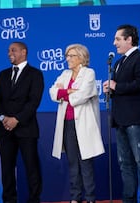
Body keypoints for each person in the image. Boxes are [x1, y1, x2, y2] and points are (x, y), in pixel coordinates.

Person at [103, 24, 140, 203]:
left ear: (129, 39)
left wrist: (117, 86)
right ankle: (129, 200)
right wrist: (109, 89)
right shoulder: (118, 63)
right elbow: (119, 87)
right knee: (125, 163)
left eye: (118, 39)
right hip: (120, 120)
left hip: (136, 119)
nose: (114, 42)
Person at [49, 43, 105, 203]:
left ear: (81, 57)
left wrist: (64, 94)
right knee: (73, 163)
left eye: (71, 56)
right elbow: (53, 92)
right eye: (67, 55)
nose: (67, 59)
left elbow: (82, 96)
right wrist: (66, 91)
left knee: (86, 163)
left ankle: (90, 198)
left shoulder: (89, 73)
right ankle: (75, 197)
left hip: (84, 125)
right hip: (67, 124)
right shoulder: (65, 74)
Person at [0, 41, 44, 203]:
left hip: (26, 129)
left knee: (31, 168)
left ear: (24, 52)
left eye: (13, 50)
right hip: (4, 130)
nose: (9, 53)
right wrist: (3, 119)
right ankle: (8, 200)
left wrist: (17, 119)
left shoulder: (35, 74)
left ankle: (34, 200)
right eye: (8, 51)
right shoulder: (3, 74)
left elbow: (33, 102)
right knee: (6, 169)